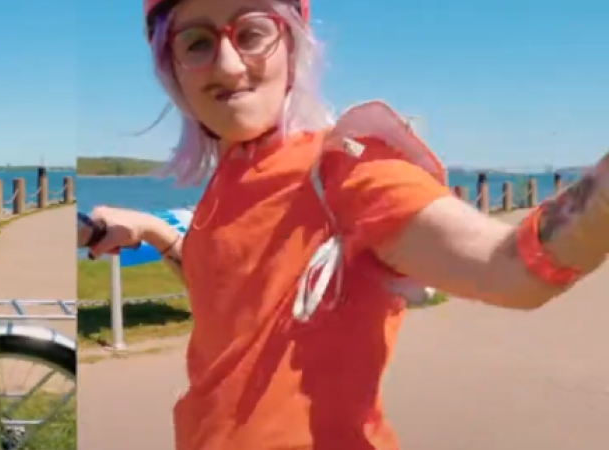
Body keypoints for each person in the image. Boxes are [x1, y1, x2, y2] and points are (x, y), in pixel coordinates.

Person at [82, 0, 609, 448]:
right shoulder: (230, 178)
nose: (227, 64)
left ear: (293, 46)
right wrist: (152, 231)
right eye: (196, 42)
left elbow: (508, 269)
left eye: (252, 33)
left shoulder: (344, 169)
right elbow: (231, 297)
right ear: (171, 67)